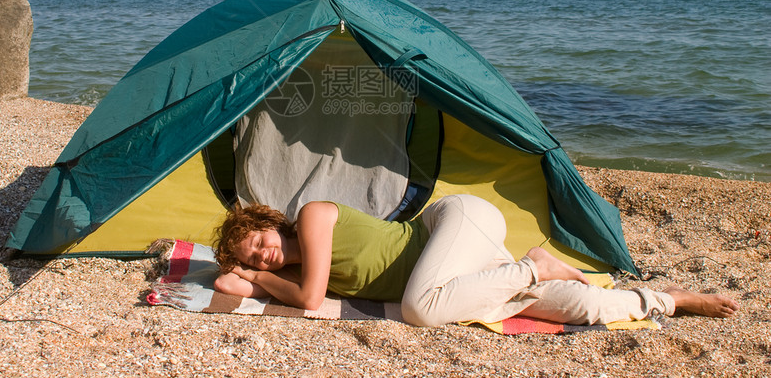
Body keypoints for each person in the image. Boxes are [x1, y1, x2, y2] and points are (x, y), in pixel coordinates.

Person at [213, 194, 738, 326]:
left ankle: (536, 264)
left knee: (419, 310)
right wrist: (248, 277)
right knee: (579, 308)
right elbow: (233, 288)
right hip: (458, 272)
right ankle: (669, 298)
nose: (262, 253)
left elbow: (307, 301)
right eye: (255, 256)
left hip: (457, 221)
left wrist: (259, 276)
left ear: (269, 222)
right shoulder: (298, 275)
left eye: (257, 241)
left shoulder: (313, 216)